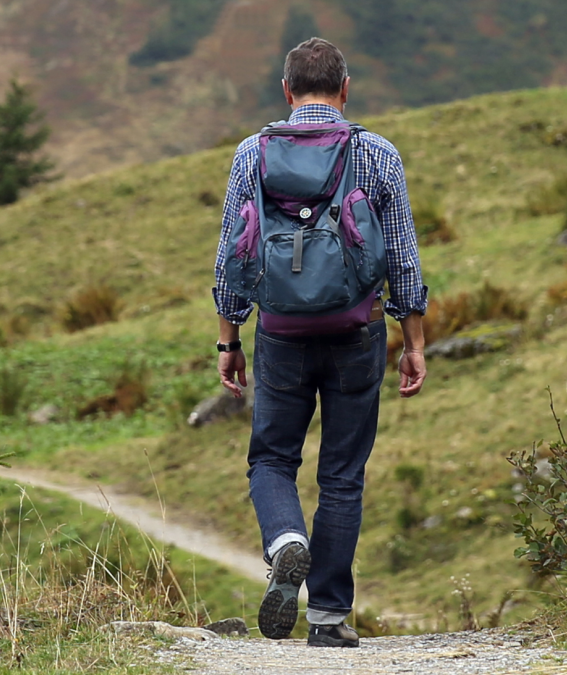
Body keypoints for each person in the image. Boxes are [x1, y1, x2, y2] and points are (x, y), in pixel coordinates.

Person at [212, 37, 428, 648]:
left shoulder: (252, 153)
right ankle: (329, 618)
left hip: (279, 333)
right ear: (345, 89)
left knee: (272, 459)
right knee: (342, 474)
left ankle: (286, 541)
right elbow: (404, 259)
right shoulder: (377, 153)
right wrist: (413, 340)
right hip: (357, 331)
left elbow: (233, 252)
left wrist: (228, 339)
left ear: (286, 91)